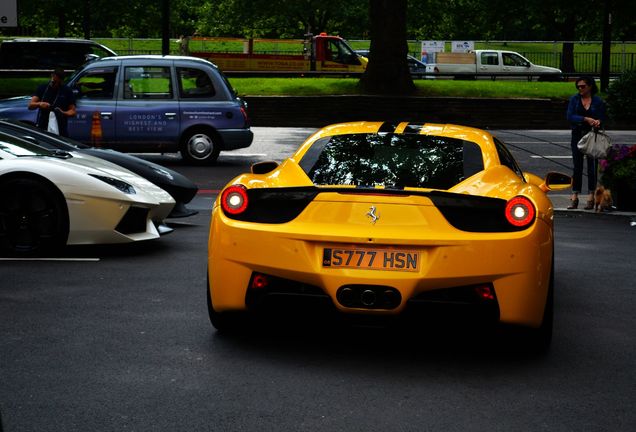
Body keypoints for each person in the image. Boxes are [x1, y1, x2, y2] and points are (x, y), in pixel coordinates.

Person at [566, 76, 607, 210]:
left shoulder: (597, 101)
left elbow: (602, 117)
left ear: (590, 86)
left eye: (583, 86)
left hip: (592, 136)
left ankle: (591, 195)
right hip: (577, 135)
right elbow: (570, 116)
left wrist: (597, 122)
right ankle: (574, 195)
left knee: (591, 167)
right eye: (578, 86)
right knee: (577, 166)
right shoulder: (574, 99)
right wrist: (585, 119)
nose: (580, 88)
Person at [28, 67, 76, 137]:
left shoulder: (67, 91)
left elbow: (73, 111)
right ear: (52, 76)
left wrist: (62, 113)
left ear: (62, 81)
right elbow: (30, 105)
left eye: (58, 83)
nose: (55, 85)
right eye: (53, 82)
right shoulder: (43, 88)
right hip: (43, 127)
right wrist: (39, 104)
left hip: (60, 128)